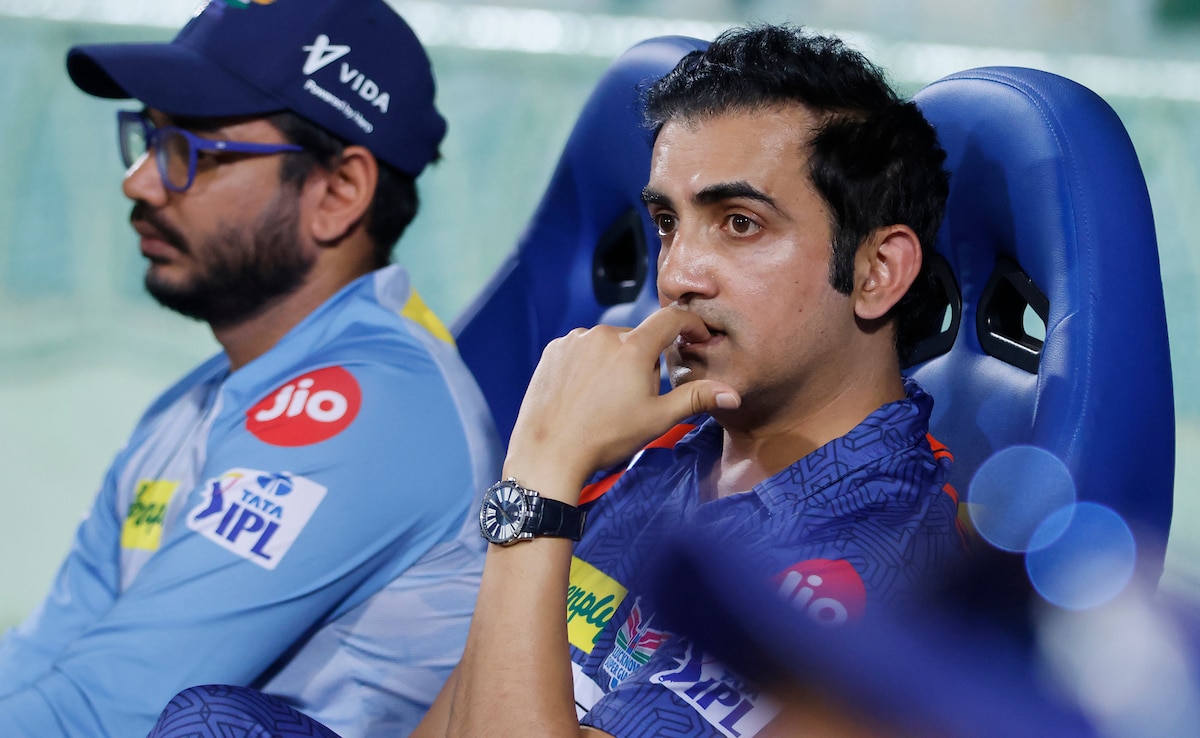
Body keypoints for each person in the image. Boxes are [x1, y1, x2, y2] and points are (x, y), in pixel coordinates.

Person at [146, 22, 964, 738]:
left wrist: (542, 473)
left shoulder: (895, 559)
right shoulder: (656, 458)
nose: (678, 274)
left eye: (740, 224)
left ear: (877, 271)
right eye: (668, 223)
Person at [0, 1, 500, 737]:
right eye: (147, 137)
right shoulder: (193, 403)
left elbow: (103, 714)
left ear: (339, 192)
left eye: (192, 149)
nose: (140, 182)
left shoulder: (368, 408)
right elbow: (42, 660)